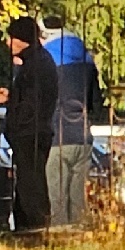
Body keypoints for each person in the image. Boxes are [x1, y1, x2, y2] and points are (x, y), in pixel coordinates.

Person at [0, 17, 58, 233]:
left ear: (22, 39)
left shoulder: (35, 65)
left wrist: (15, 118)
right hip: (32, 132)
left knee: (31, 186)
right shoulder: (36, 61)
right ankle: (26, 229)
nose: (8, 43)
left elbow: (32, 104)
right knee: (28, 183)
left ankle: (34, 229)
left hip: (30, 134)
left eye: (12, 38)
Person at [42, 17, 102, 229]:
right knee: (78, 199)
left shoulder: (46, 58)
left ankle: (60, 241)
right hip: (83, 136)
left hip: (57, 135)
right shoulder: (86, 58)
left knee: (56, 196)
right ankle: (79, 237)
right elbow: (96, 101)